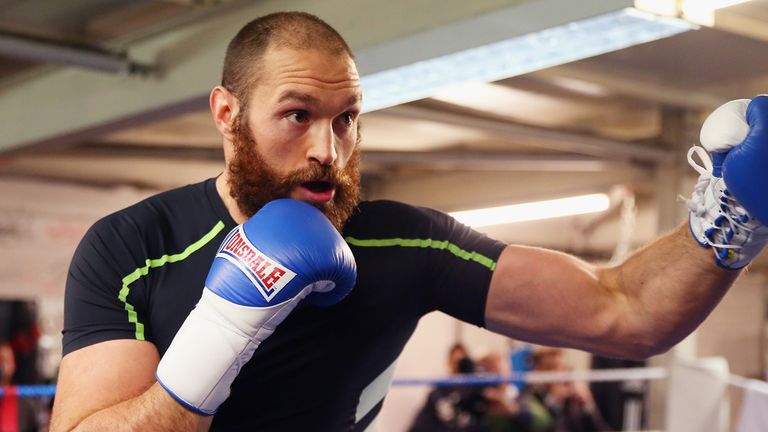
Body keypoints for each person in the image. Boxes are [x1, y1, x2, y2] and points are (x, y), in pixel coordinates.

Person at [49, 10, 768, 432]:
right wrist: (224, 329)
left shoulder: (406, 244)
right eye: (297, 115)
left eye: (347, 120)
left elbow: (627, 310)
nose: (327, 152)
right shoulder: (135, 247)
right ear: (227, 113)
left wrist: (736, 210)